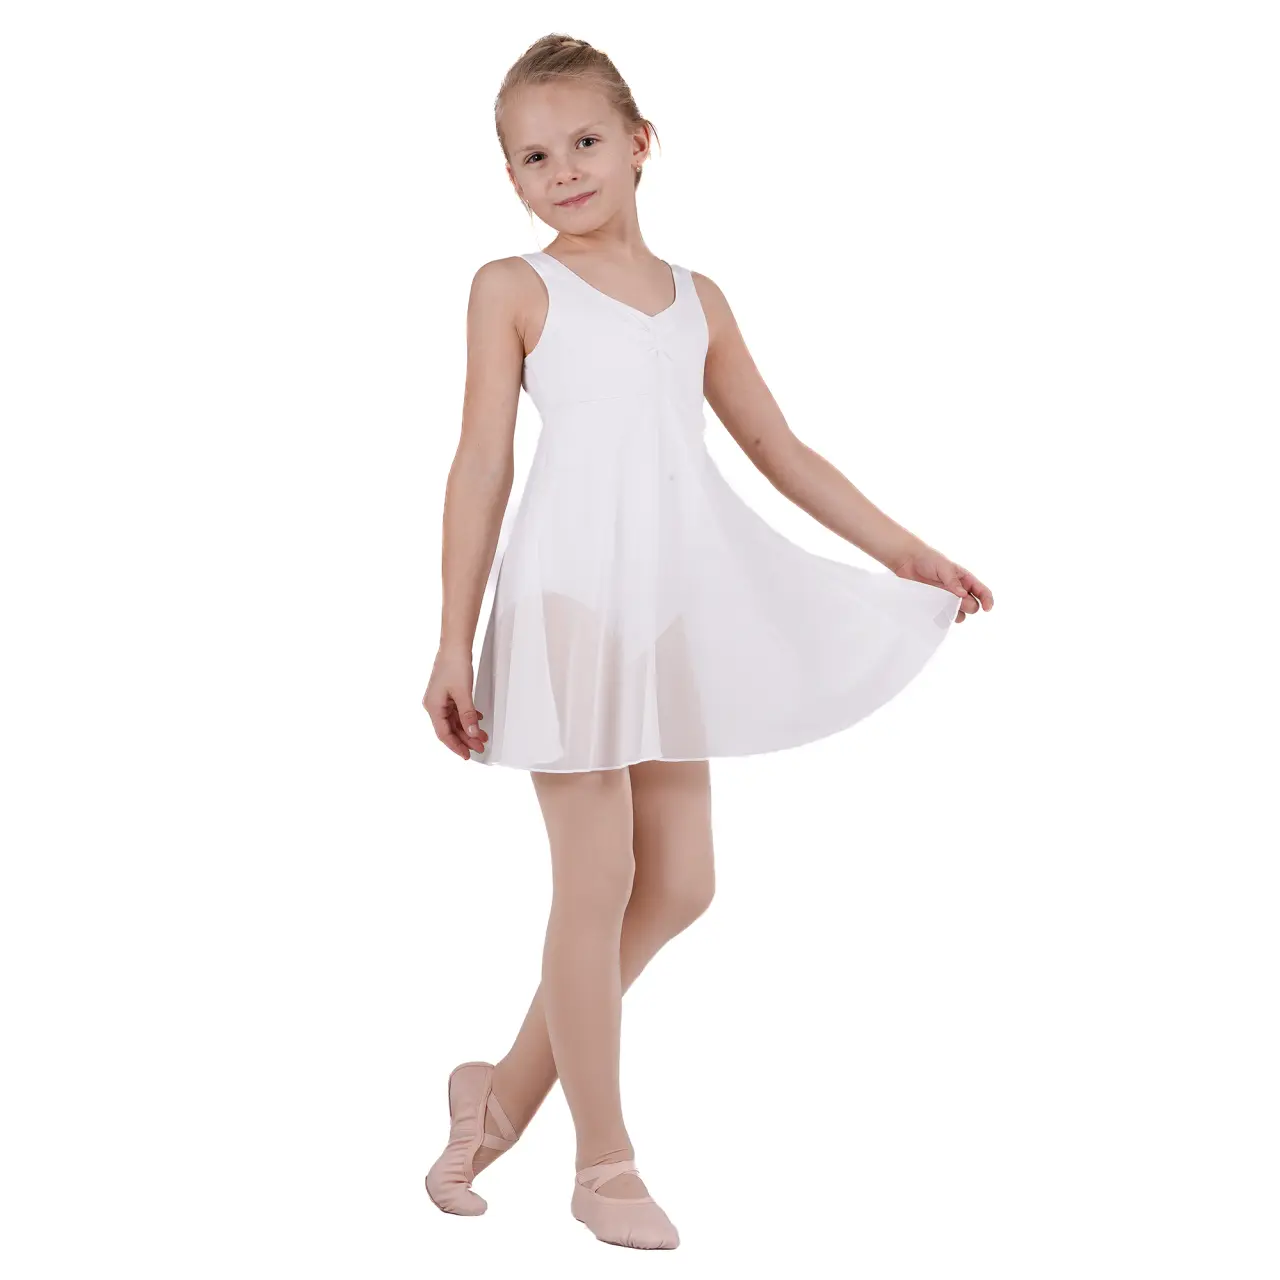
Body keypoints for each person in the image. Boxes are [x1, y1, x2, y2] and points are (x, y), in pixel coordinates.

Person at [422, 32, 993, 1250]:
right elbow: (479, 463)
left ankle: (498, 1089)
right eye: (533, 157)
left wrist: (907, 552)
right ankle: (602, 1161)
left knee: (682, 880)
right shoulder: (510, 288)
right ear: (509, 178)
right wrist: (450, 640)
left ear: (640, 143)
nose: (564, 170)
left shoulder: (698, 299)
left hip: (667, 606)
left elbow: (779, 448)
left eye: (585, 141)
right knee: (595, 882)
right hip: (565, 602)